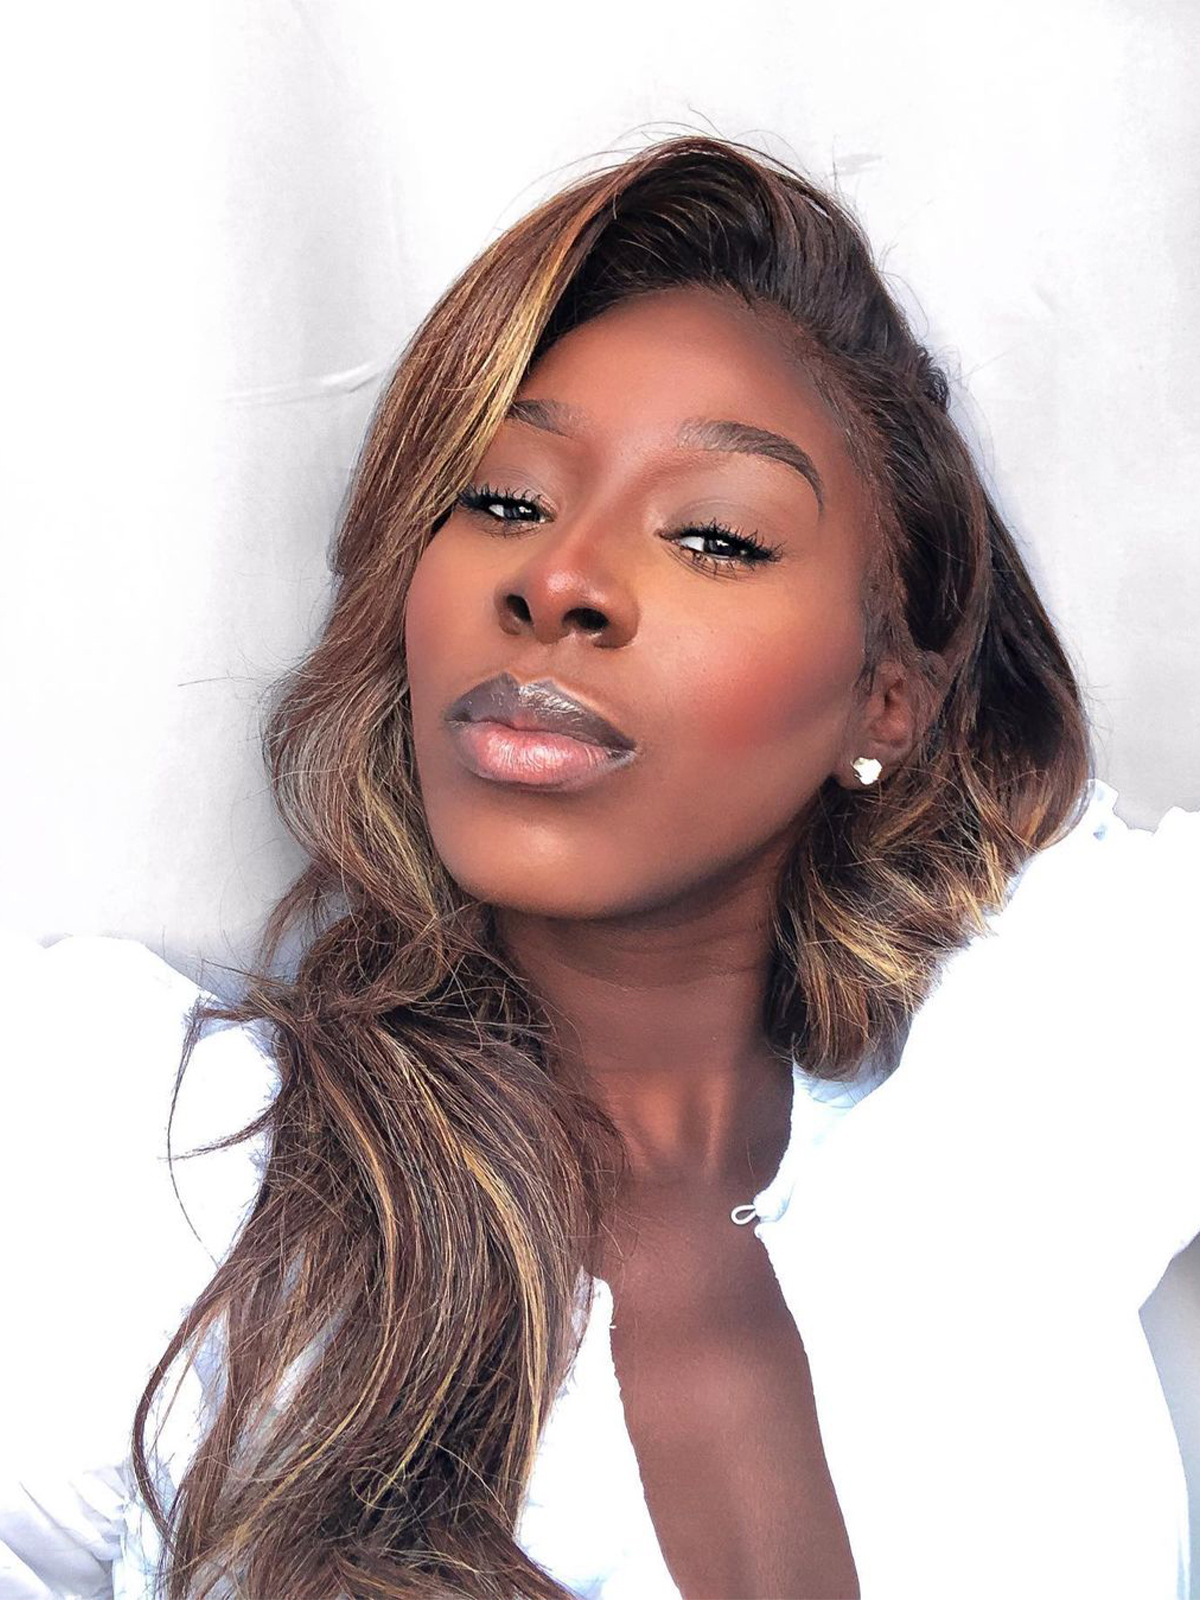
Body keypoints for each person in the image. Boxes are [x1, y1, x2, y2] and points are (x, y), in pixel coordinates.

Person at [2, 132, 1197, 1600]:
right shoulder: (156, 1175)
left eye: (716, 536)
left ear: (887, 699)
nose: (557, 580)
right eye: (505, 501)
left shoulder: (1043, 1078)